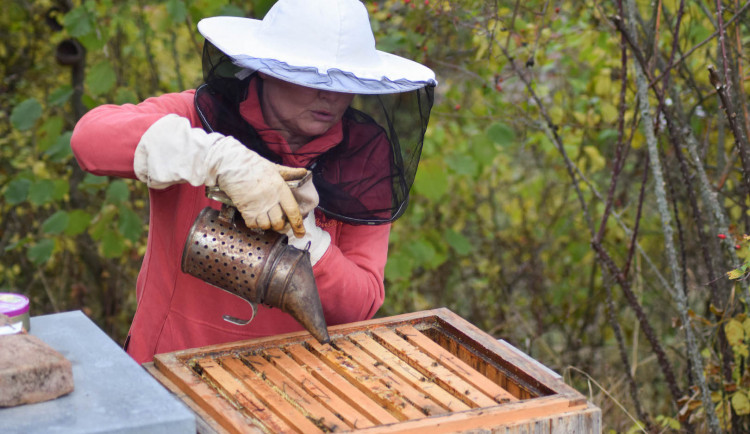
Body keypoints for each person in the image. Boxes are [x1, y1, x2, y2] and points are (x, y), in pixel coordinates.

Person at [71, 0, 436, 364]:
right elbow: (90, 140)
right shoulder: (199, 117)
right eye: (312, 78)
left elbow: (359, 305)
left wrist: (306, 238)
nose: (332, 96)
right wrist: (215, 157)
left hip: (292, 384)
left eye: (347, 80)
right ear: (266, 68)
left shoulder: (364, 157)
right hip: (169, 364)